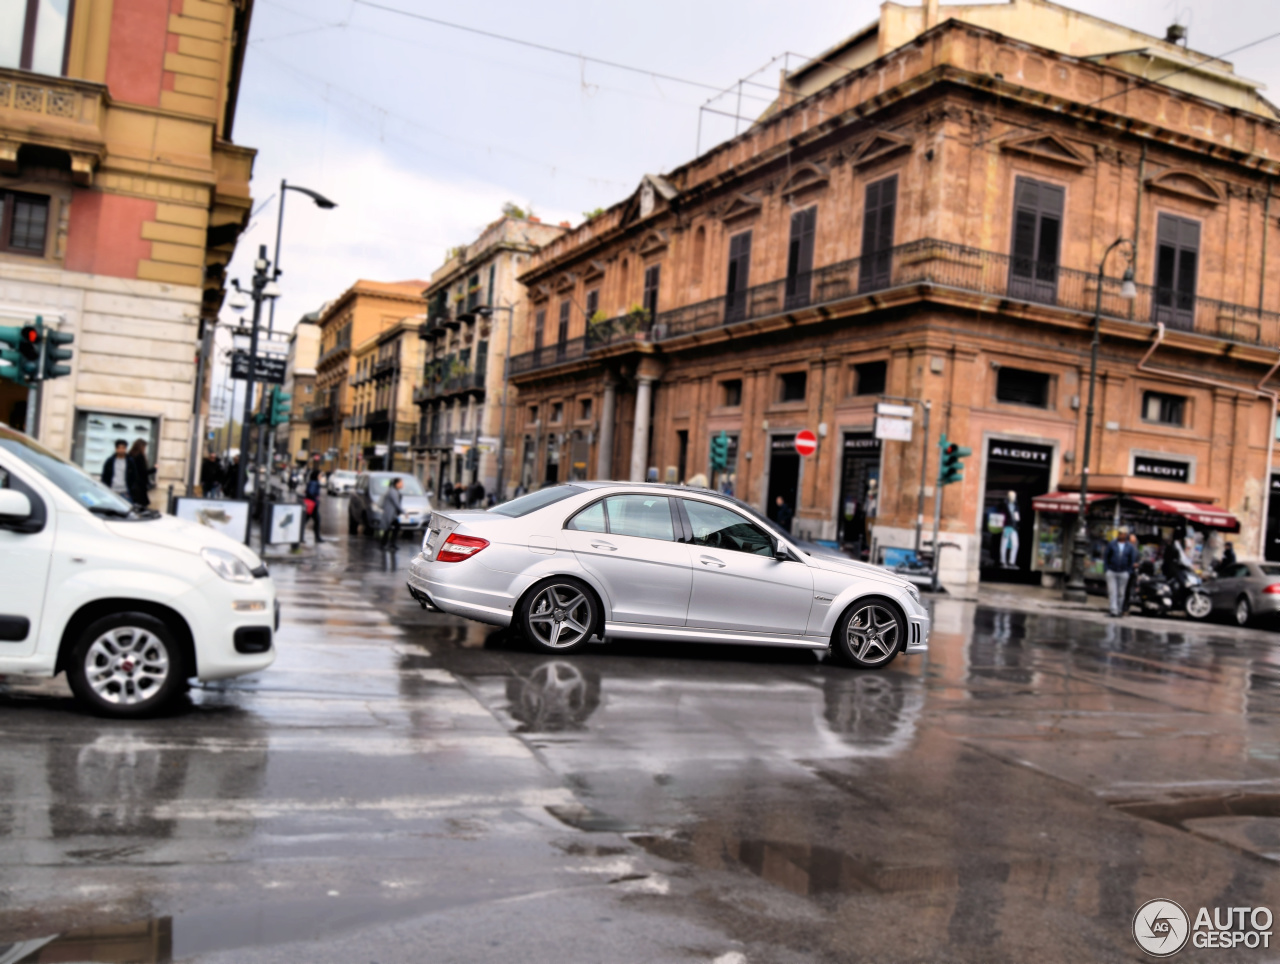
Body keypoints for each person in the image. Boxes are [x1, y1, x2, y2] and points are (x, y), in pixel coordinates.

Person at [1104, 528, 1137, 617]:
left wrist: (1128, 571)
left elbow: (1131, 560)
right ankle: (1113, 610)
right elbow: (1106, 557)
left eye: (1123, 533)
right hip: (1112, 571)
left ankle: (1119, 610)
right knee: (1112, 591)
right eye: (1120, 533)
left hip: (1123, 572)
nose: (1121, 535)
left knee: (1121, 592)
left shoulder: (1129, 547)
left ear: (1126, 535)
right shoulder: (1112, 544)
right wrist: (1107, 569)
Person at [380, 477, 404, 549]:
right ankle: (386, 544)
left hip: (393, 514)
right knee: (389, 528)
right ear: (396, 484)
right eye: (400, 483)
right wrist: (404, 512)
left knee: (392, 528)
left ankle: (389, 544)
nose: (402, 485)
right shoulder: (393, 491)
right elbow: (396, 503)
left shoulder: (394, 491)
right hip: (390, 514)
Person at [126, 439, 152, 508]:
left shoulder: (130, 455)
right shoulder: (140, 456)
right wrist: (154, 469)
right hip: (139, 485)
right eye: (144, 447)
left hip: (132, 485)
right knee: (141, 506)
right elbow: (143, 471)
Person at [1122, 532, 1141, 612]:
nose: (1133, 542)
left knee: (1129, 590)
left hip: (1132, 573)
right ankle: (1121, 606)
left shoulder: (1136, 550)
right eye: (1132, 541)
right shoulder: (1124, 548)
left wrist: (1137, 564)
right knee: (1122, 590)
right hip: (1124, 571)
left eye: (1134, 541)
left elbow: (1139, 560)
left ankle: (1125, 607)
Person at [303, 469, 323, 543]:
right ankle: (317, 538)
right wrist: (316, 499)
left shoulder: (312, 482)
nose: (321, 476)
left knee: (305, 521)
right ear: (316, 475)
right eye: (320, 475)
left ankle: (300, 537)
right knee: (317, 521)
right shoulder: (314, 483)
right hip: (312, 505)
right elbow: (310, 492)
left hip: (311, 504)